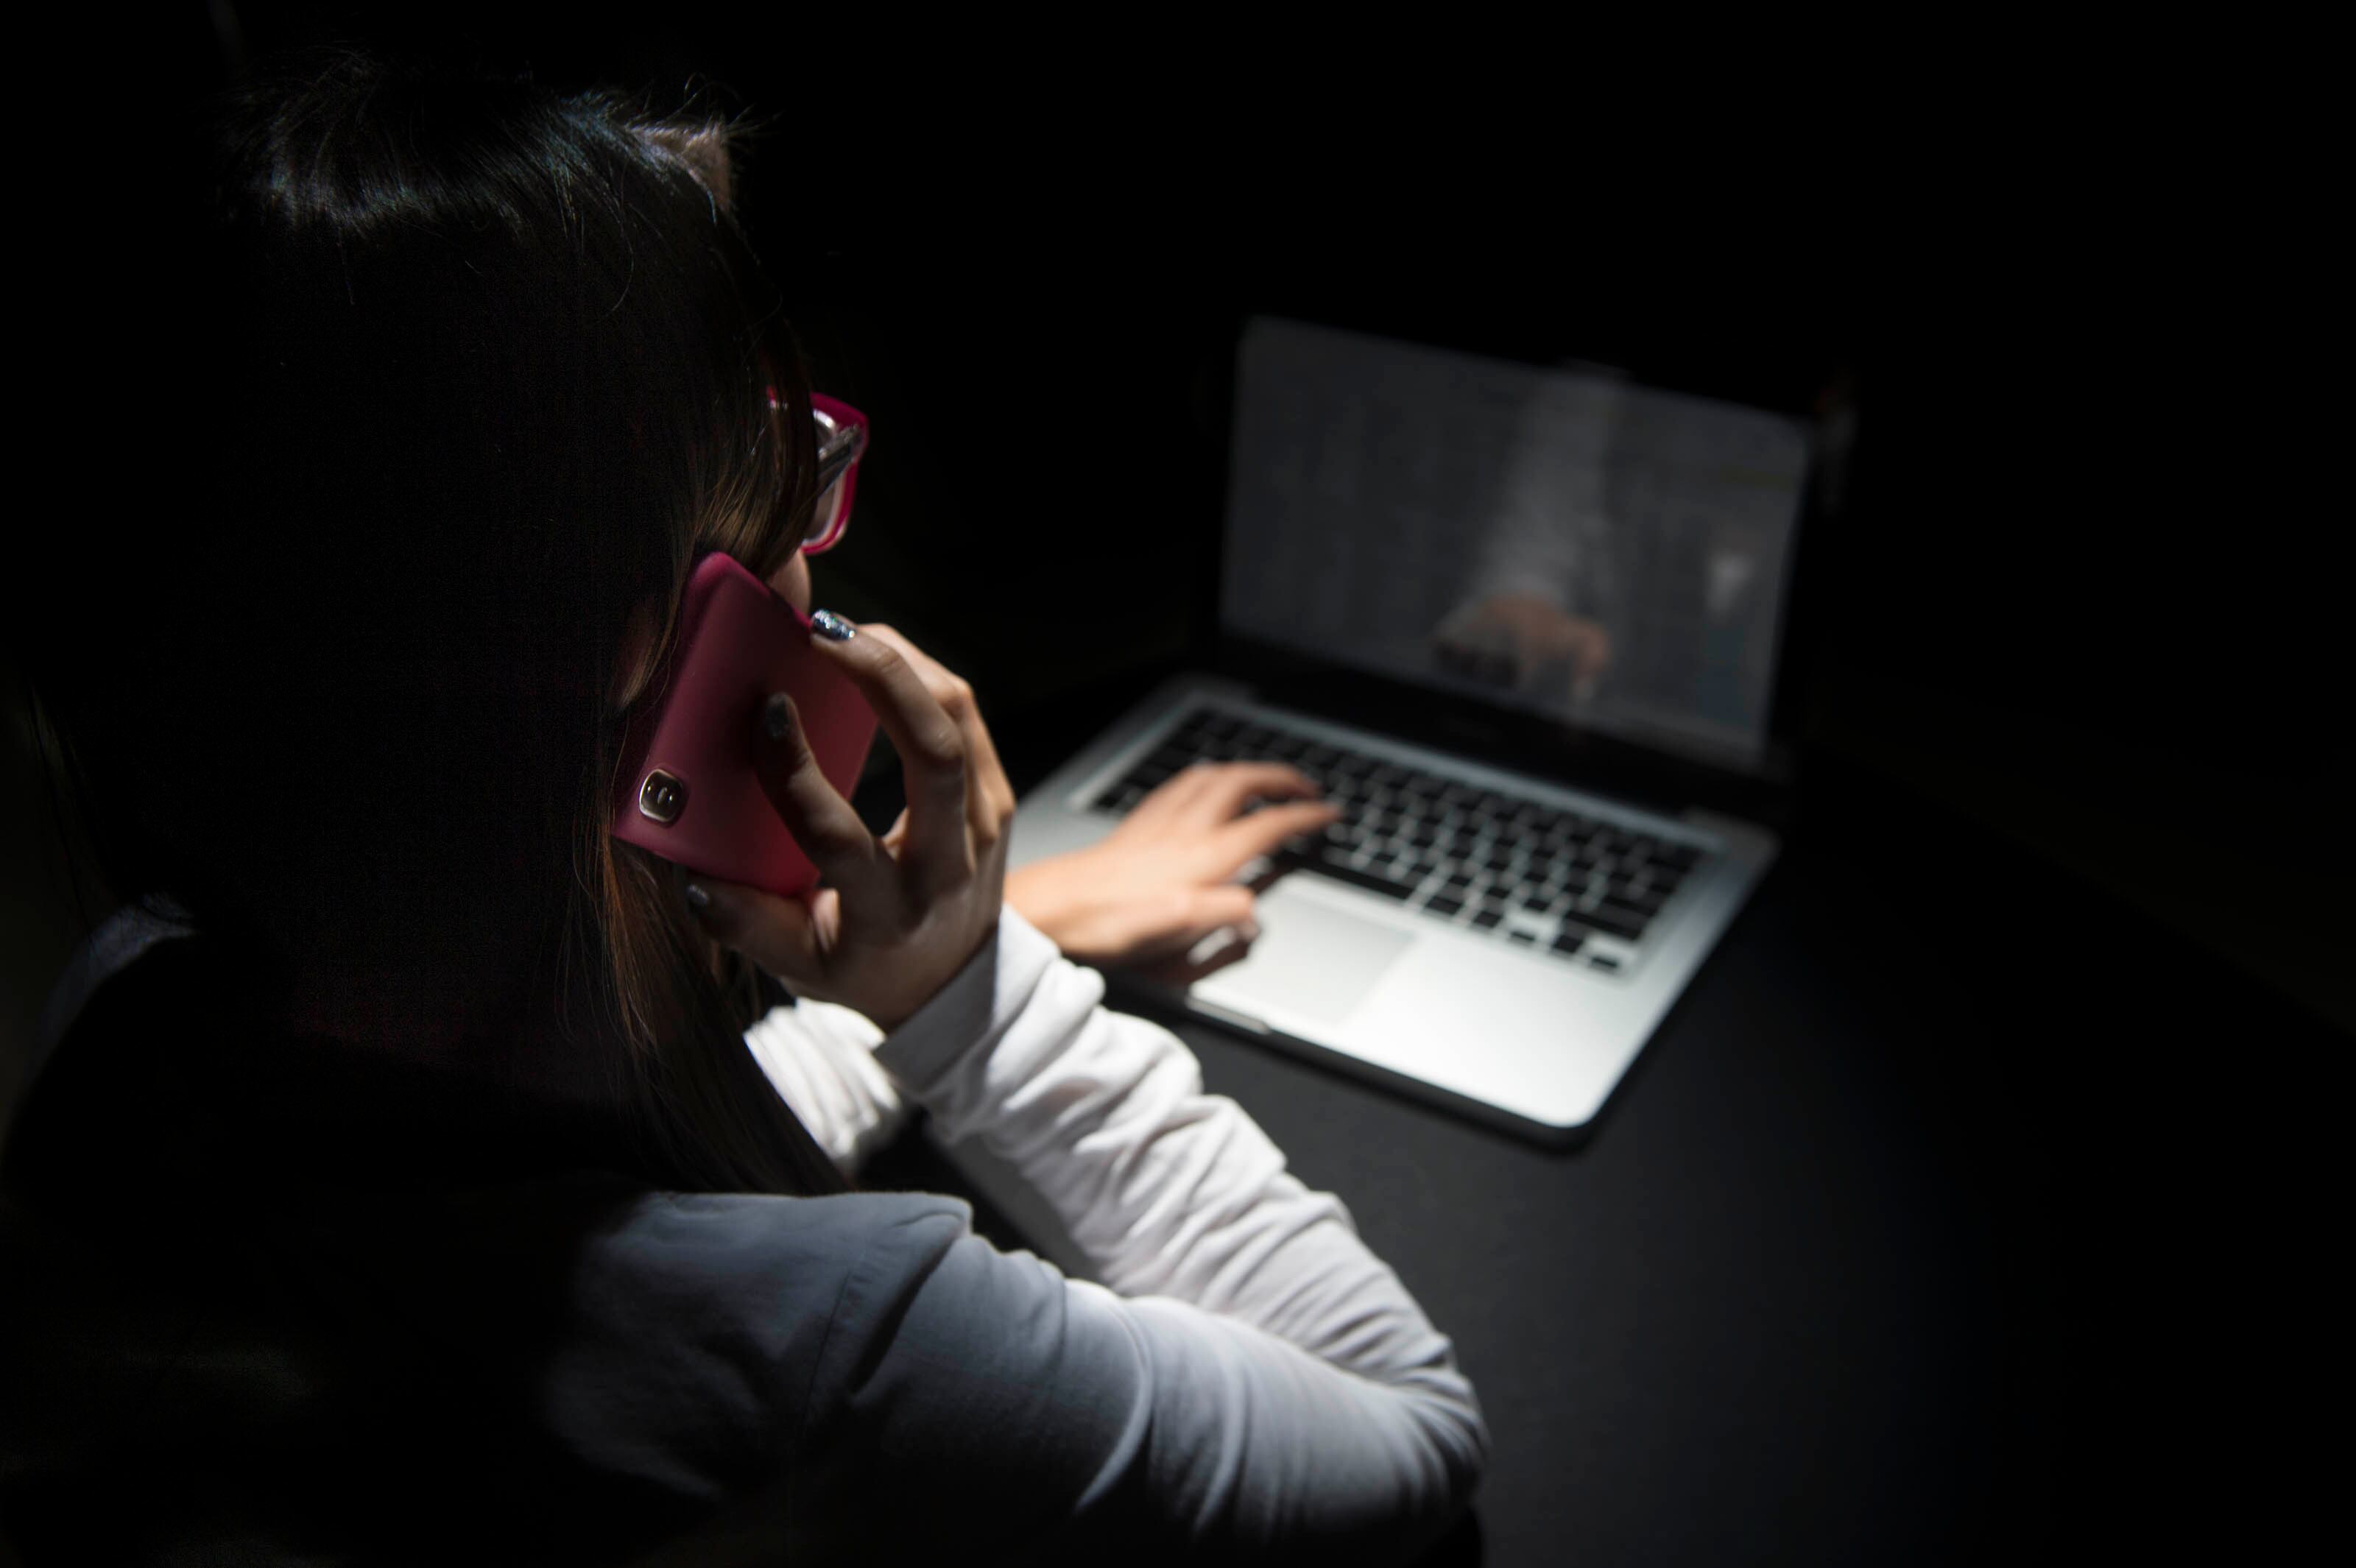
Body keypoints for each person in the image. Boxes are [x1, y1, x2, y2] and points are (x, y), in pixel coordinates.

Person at [0, 48, 1487, 1566]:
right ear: (643, 638)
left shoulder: (142, 1007)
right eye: (783, 459)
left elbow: (607, 1209)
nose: (813, 538)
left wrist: (982, 934)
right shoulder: (837, 1349)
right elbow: (1410, 1425)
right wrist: (979, 1007)